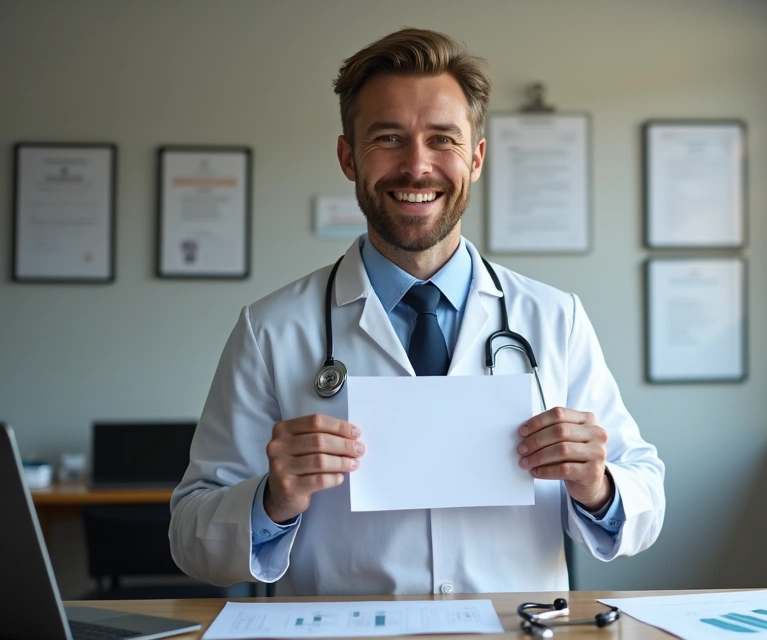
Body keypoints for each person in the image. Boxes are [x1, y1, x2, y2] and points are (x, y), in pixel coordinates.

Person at [168, 27, 665, 596]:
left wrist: (597, 485)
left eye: (442, 139)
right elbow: (190, 535)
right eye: (388, 138)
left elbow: (646, 501)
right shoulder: (271, 330)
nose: (417, 166)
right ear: (347, 158)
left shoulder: (556, 319)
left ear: (475, 159)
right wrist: (272, 501)